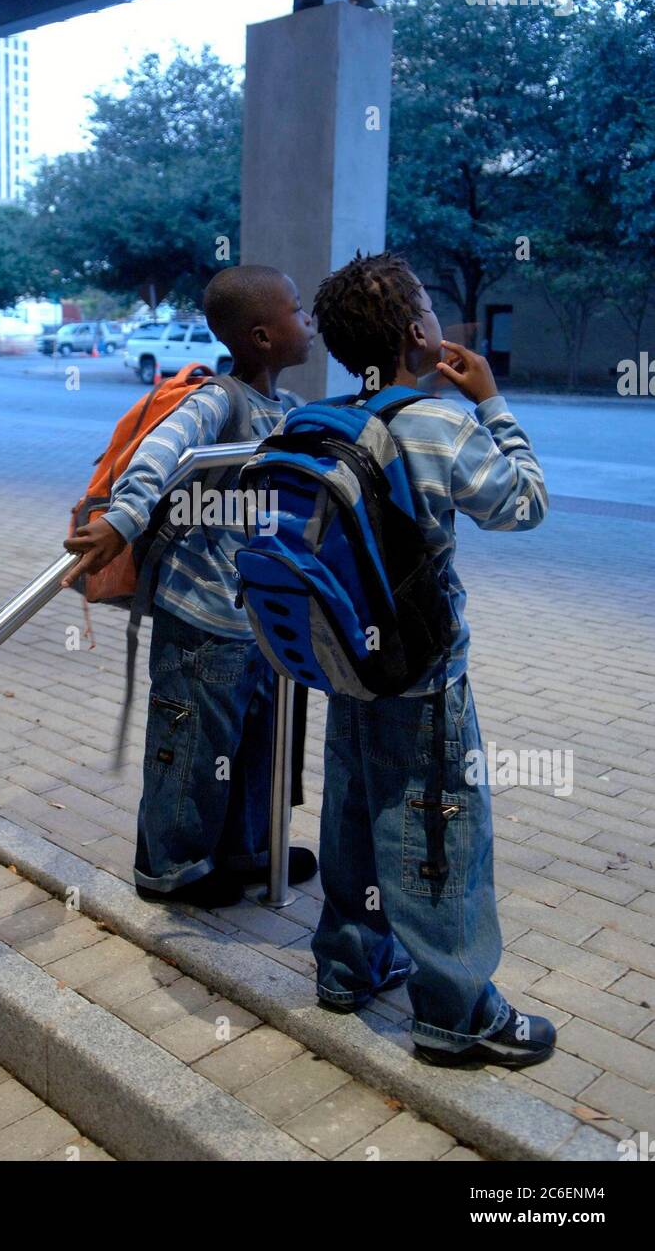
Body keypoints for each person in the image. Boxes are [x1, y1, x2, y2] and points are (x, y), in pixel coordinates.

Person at [311, 250, 555, 1068]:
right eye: (427, 306)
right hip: (423, 678)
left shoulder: (319, 419)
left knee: (352, 811)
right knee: (438, 831)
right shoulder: (440, 421)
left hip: (346, 662)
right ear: (421, 331)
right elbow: (522, 505)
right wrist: (488, 401)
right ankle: (457, 1014)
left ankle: (348, 967)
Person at [63, 266, 318, 908]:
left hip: (258, 616)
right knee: (191, 743)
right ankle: (172, 867)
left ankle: (247, 848)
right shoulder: (216, 401)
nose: (307, 318)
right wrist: (121, 520)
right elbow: (159, 452)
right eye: (297, 308)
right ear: (261, 335)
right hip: (200, 614)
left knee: (256, 740)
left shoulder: (284, 412)